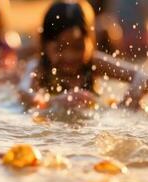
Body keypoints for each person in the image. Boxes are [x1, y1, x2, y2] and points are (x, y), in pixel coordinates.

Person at [19, 0, 148, 111]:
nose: (69, 56)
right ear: (44, 45)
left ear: (91, 42)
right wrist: (52, 102)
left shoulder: (93, 62)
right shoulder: (39, 67)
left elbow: (141, 76)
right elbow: (24, 92)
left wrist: (127, 104)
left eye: (78, 47)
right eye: (60, 48)